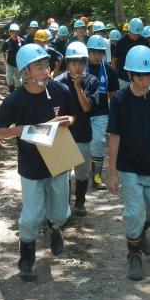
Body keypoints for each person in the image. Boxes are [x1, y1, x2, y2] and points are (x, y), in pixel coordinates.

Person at [0, 44, 74, 282]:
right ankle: (26, 259)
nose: (46, 70)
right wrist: (27, 130)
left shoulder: (60, 90)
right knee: (31, 217)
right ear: (25, 72)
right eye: (39, 67)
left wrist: (68, 120)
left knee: (60, 213)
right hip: (31, 165)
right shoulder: (15, 101)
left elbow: (73, 115)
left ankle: (55, 228)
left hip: (58, 158)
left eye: (46, 65)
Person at [107, 45, 150, 281]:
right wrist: (112, 172)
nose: (146, 80)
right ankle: (133, 254)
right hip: (128, 165)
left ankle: (141, 232)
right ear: (130, 75)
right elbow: (114, 136)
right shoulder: (120, 101)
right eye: (140, 75)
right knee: (135, 212)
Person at [55, 41, 99, 217]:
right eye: (73, 62)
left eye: (81, 62)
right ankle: (64, 205)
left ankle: (80, 202)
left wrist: (78, 87)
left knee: (81, 172)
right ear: (67, 63)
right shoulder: (57, 82)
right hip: (63, 134)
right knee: (63, 174)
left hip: (82, 133)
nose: (77, 66)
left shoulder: (91, 81)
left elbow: (87, 108)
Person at [86, 35, 119, 190]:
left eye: (100, 52)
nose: (97, 55)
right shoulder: (79, 67)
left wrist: (115, 115)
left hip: (101, 112)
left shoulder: (109, 71)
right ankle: (81, 174)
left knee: (98, 141)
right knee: (83, 144)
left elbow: (113, 94)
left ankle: (96, 177)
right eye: (93, 52)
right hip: (82, 113)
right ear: (88, 51)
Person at [111, 18, 148, 90]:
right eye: (134, 33)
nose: (136, 36)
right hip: (123, 78)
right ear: (130, 31)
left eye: (138, 34)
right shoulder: (121, 42)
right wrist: (112, 75)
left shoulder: (144, 42)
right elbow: (114, 59)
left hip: (141, 77)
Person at [2, 23, 24, 93]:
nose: (14, 34)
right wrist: (5, 62)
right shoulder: (7, 42)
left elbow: (25, 52)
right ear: (10, 33)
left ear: (18, 32)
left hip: (19, 64)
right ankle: (11, 92)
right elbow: (3, 52)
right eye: (12, 32)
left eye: (16, 32)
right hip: (10, 63)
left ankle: (18, 94)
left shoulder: (22, 41)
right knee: (9, 78)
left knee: (19, 81)